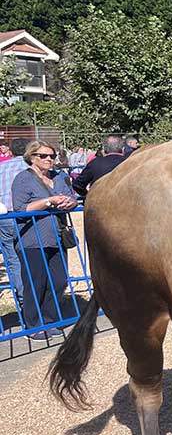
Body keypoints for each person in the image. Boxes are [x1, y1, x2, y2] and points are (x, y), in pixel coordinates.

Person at [11, 140, 78, 341]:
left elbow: (71, 198)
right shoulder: (23, 179)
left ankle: (50, 320)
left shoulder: (59, 177)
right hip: (32, 239)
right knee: (35, 283)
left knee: (58, 281)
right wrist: (49, 201)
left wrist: (70, 202)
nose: (49, 159)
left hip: (56, 237)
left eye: (52, 156)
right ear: (32, 157)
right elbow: (21, 209)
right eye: (43, 156)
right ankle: (33, 325)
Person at [0, 138, 30, 307]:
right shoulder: (31, 169)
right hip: (28, 215)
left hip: (5, 217)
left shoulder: (2, 167)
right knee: (36, 257)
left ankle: (23, 299)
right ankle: (38, 301)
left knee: (13, 259)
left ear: (10, 151)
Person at [72, 135, 128, 201]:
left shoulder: (94, 163)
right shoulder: (130, 163)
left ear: (104, 149)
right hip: (125, 203)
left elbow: (77, 185)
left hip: (98, 203)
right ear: (123, 149)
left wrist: (88, 195)